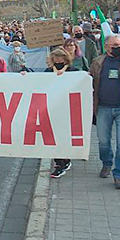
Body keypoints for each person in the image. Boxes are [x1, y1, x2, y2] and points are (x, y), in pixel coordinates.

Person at [90, 34, 120, 189]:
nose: (119, 48)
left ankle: (119, 174)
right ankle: (106, 163)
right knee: (104, 141)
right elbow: (88, 80)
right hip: (103, 108)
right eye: (115, 45)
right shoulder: (97, 62)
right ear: (106, 47)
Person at [41, 47, 78, 178]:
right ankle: (59, 162)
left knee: (64, 136)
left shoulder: (74, 72)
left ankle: (65, 160)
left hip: (68, 109)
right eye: (55, 59)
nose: (58, 62)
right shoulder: (48, 71)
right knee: (53, 137)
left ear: (65, 59)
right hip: (52, 109)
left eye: (60, 59)